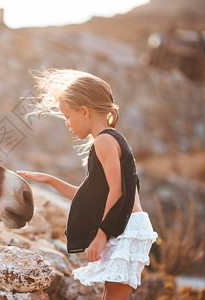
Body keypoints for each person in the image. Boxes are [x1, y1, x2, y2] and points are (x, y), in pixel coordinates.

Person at [17, 69, 157, 299]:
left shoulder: (104, 140)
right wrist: (50, 180)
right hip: (124, 226)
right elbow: (90, 199)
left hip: (126, 228)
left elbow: (117, 191)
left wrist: (101, 236)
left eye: (67, 116)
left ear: (84, 112)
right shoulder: (109, 139)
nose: (67, 124)